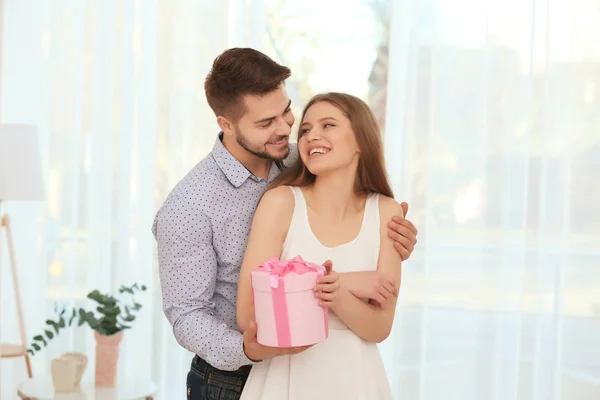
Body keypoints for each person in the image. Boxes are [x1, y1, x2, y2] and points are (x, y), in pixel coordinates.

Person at [152, 48, 418, 400]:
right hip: (232, 376)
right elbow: (186, 314)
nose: (286, 130)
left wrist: (395, 242)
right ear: (226, 124)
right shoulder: (188, 206)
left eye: (287, 112)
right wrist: (249, 349)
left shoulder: (301, 158)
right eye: (266, 123)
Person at [237, 92, 402, 399]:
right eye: (306, 130)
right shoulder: (281, 202)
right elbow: (248, 313)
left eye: (328, 125)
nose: (313, 135)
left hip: (357, 381)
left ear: (361, 142)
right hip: (284, 380)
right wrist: (349, 284)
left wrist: (338, 293)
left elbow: (380, 327)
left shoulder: (387, 213)